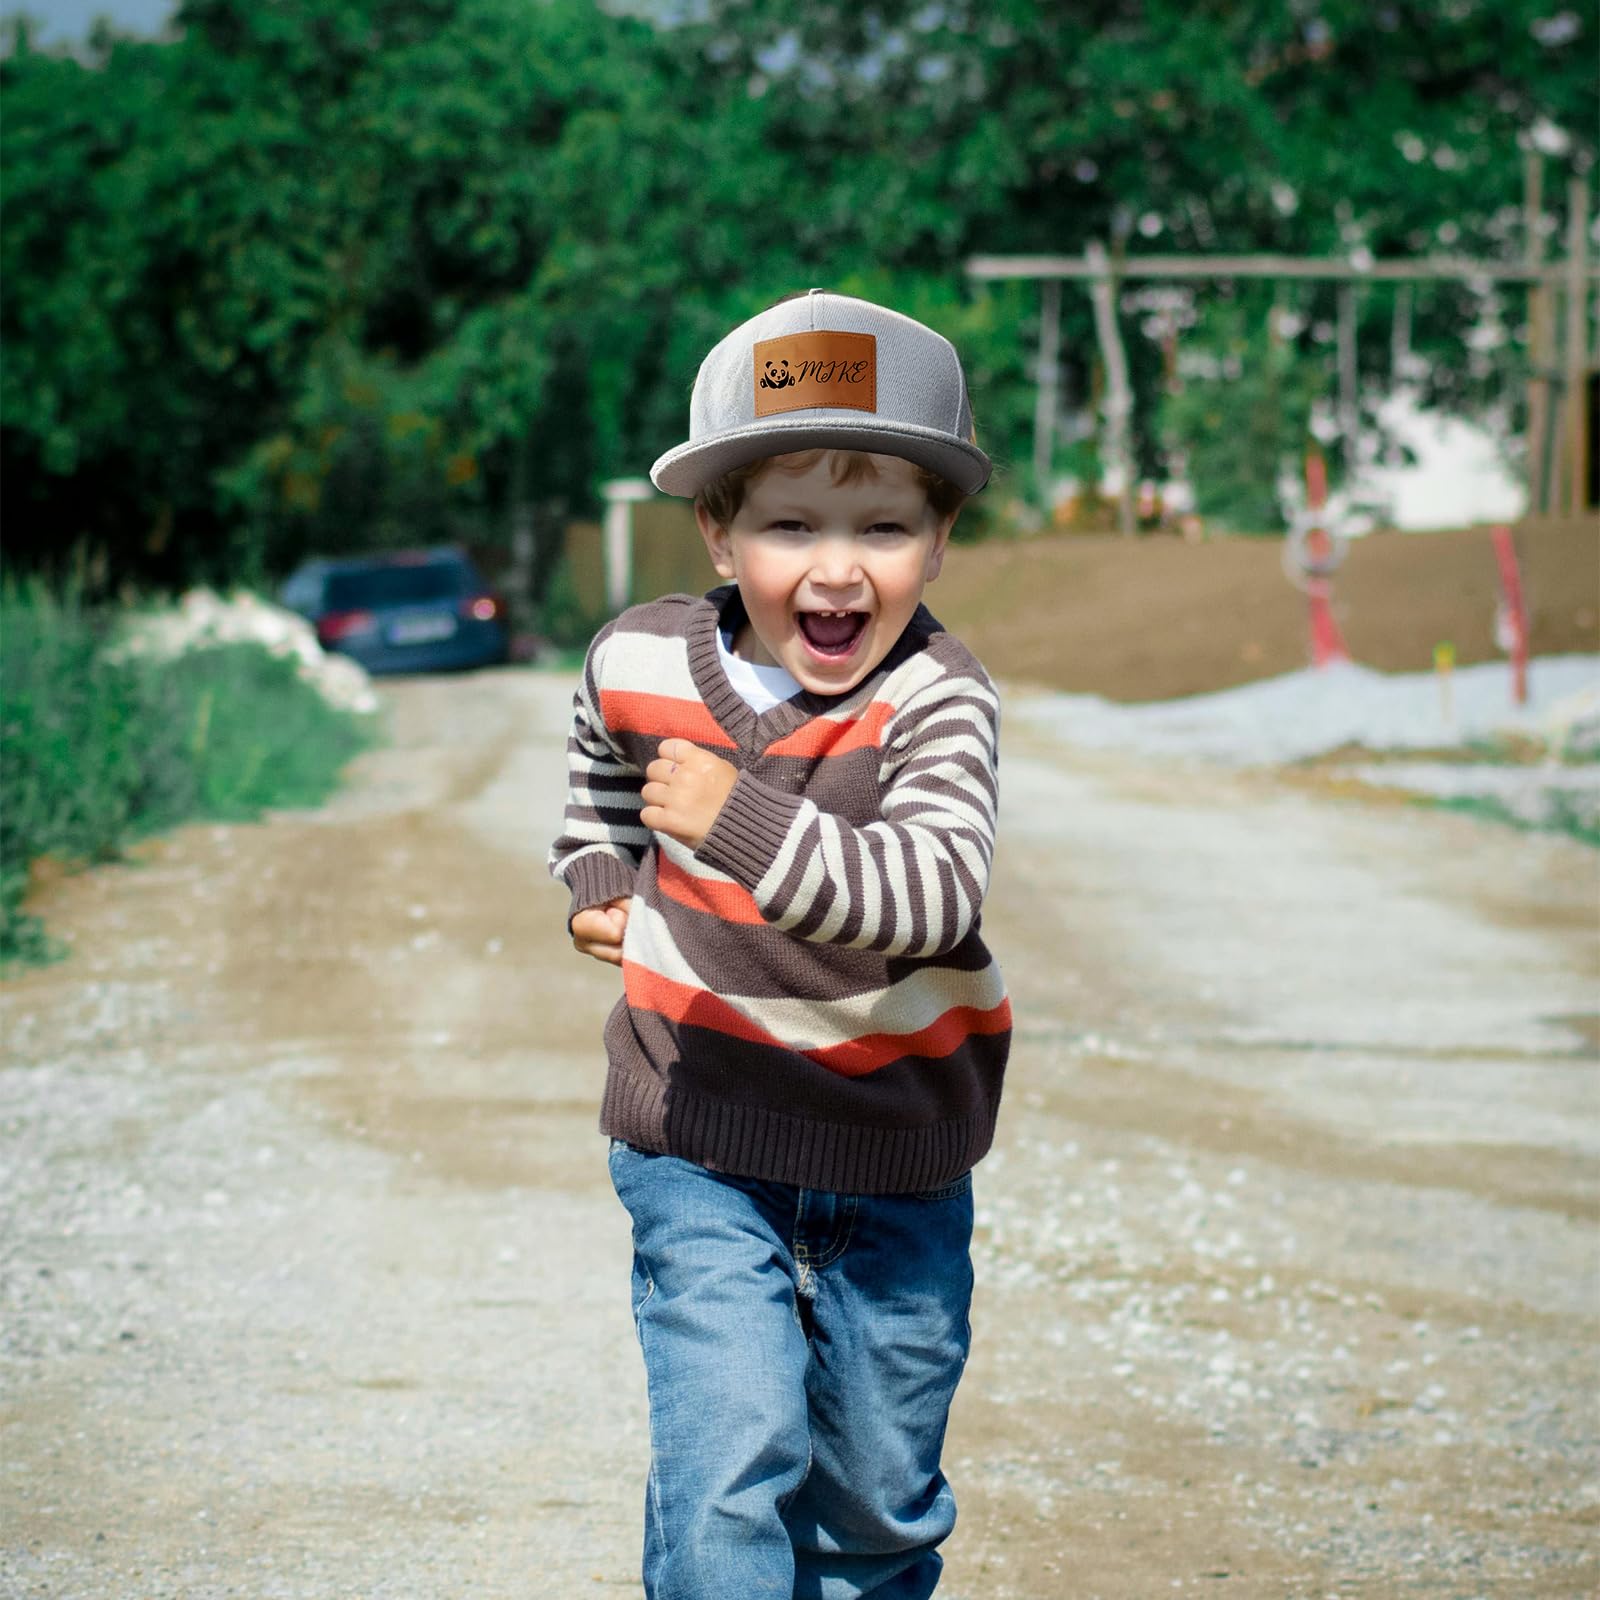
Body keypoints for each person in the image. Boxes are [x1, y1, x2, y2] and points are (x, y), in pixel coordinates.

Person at [548, 288, 1011, 1600]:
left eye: (884, 526)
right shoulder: (638, 657)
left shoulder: (937, 701)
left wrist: (736, 820)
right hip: (698, 1139)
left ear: (940, 535)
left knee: (875, 1506)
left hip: (895, 1155)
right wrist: (597, 871)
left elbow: (927, 893)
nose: (836, 567)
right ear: (718, 527)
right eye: (790, 524)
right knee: (728, 1463)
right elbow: (595, 759)